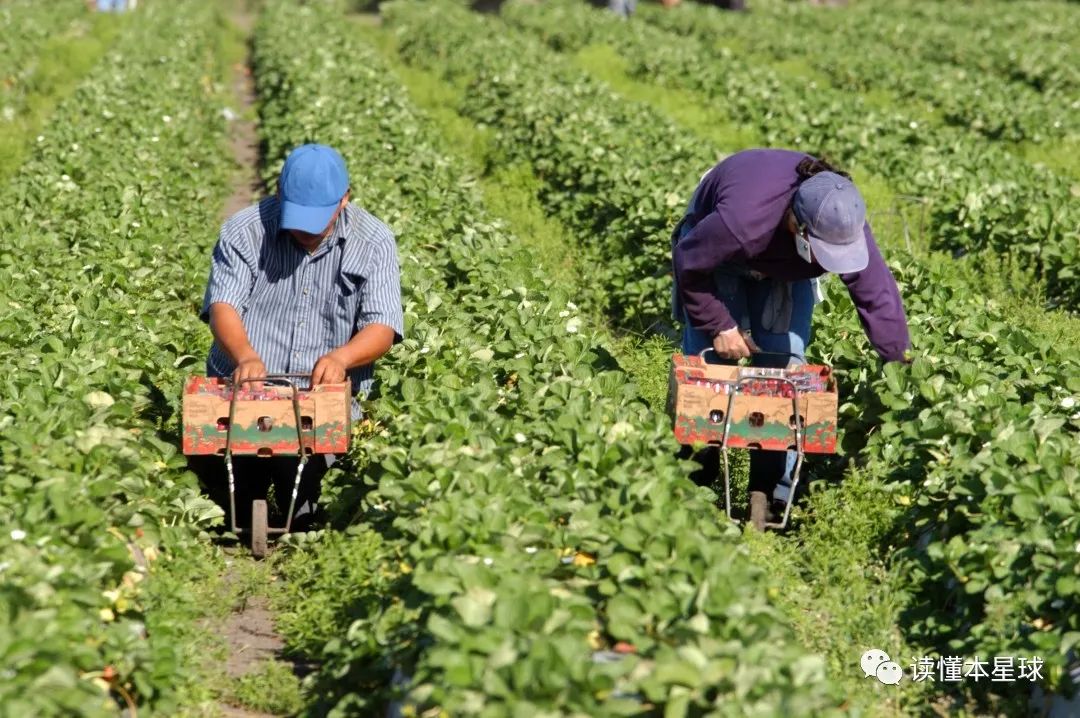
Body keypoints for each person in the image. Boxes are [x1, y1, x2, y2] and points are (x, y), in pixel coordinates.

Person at [671, 148, 909, 530]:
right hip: (718, 257)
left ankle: (769, 490)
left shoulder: (842, 216)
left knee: (785, 372)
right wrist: (719, 324)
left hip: (783, 268)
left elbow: (875, 290)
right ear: (798, 226)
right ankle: (696, 473)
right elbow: (689, 263)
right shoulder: (741, 219)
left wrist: (901, 363)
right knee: (711, 369)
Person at [189, 143, 404, 531]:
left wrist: (342, 359)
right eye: (298, 218)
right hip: (244, 394)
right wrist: (245, 355)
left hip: (319, 399)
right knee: (237, 492)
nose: (305, 230)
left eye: (317, 219)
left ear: (344, 200)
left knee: (305, 506)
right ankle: (242, 490)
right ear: (277, 194)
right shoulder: (246, 230)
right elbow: (224, 305)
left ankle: (299, 507)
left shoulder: (373, 241)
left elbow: (382, 327)